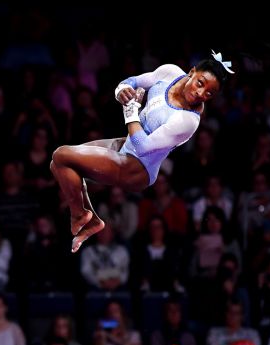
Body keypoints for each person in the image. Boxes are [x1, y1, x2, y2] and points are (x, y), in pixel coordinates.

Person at [51, 53, 233, 252]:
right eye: (200, 83)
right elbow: (131, 82)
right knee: (58, 164)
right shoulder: (169, 72)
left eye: (209, 93)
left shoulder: (188, 121)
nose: (201, 93)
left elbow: (144, 147)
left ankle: (80, 215)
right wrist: (122, 91)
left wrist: (130, 109)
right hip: (126, 144)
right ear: (191, 72)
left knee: (62, 155)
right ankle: (90, 218)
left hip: (139, 168)